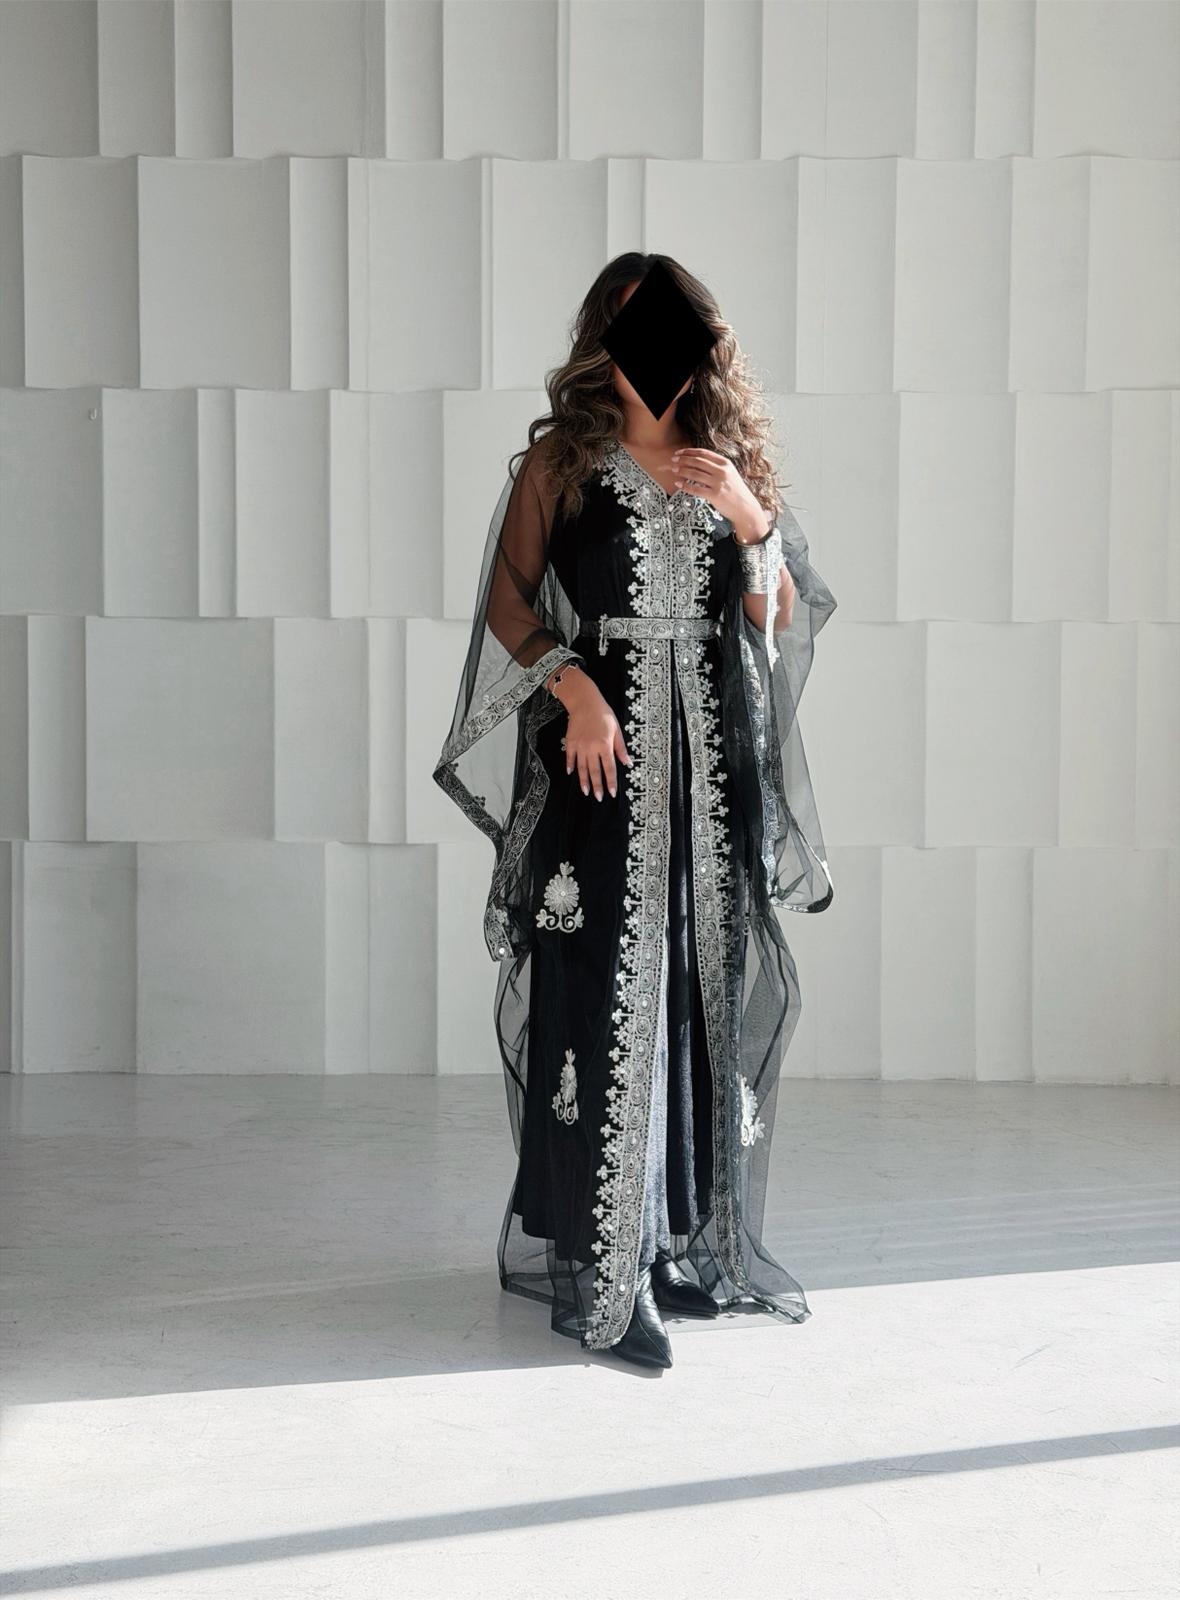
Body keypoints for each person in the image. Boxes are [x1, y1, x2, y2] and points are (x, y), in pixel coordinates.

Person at [433, 252, 837, 1371]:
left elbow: (775, 614)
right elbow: (509, 602)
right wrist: (572, 687)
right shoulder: (559, 462)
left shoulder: (726, 462)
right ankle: (607, 1270)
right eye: (626, 326)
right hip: (601, 767)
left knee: (695, 989)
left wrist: (750, 519)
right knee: (604, 987)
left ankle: (673, 1245)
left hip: (710, 771)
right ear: (602, 344)